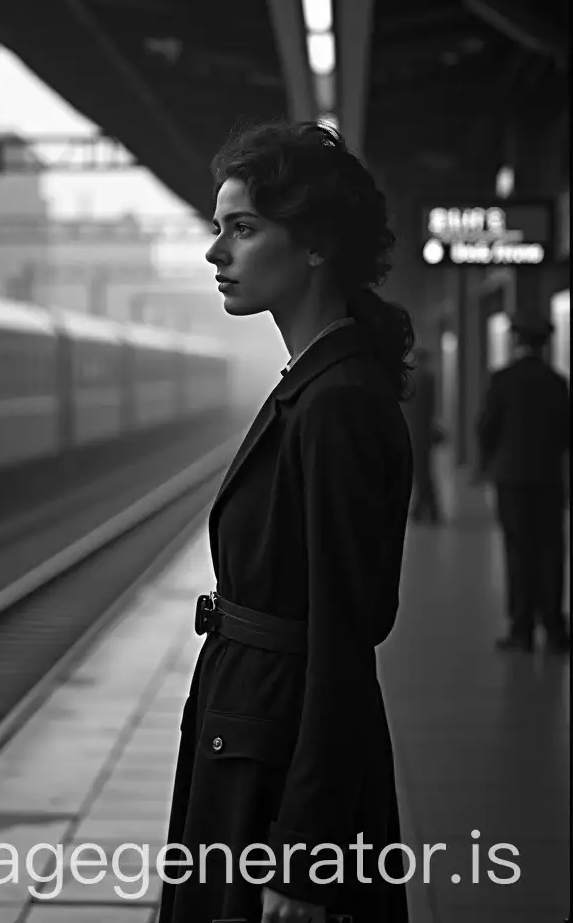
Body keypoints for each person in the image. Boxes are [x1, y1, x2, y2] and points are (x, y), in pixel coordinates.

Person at [159, 121, 413, 923]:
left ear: (314, 247)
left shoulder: (334, 403)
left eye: (243, 229)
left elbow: (344, 641)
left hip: (274, 761)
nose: (216, 253)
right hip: (256, 731)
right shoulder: (316, 385)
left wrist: (307, 851)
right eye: (218, 229)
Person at [476, 312, 570, 654]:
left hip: (511, 477)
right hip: (548, 478)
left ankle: (522, 629)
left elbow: (486, 426)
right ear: (545, 344)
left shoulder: (503, 380)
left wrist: (487, 464)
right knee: (551, 550)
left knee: (518, 550)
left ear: (516, 341)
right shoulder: (557, 382)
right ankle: (555, 629)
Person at [403, 347, 443, 523]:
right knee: (422, 470)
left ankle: (429, 508)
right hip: (422, 430)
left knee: (421, 471)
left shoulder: (418, 379)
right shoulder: (427, 378)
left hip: (417, 431)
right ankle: (422, 507)